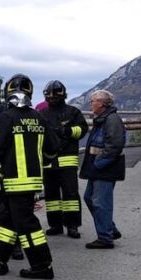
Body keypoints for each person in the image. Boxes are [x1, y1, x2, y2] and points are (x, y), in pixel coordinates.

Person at [0, 74, 60, 278]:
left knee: (26, 224)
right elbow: (53, 149)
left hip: (12, 182)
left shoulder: (7, 118)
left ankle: (42, 266)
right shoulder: (38, 117)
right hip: (31, 181)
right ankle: (0, 260)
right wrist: (39, 161)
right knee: (8, 221)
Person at [39, 80, 88, 238]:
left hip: (67, 160)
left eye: (55, 95)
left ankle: (72, 226)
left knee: (71, 195)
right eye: (49, 96)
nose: (52, 98)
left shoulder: (72, 112)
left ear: (63, 95)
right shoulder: (42, 114)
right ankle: (55, 225)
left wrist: (66, 131)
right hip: (48, 162)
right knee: (51, 196)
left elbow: (82, 129)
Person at [79, 89, 126, 249]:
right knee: (90, 198)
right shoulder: (103, 119)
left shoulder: (111, 120)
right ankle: (109, 229)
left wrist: (98, 163)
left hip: (105, 169)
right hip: (98, 168)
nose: (91, 104)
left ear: (102, 103)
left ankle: (105, 238)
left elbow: (114, 146)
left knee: (100, 202)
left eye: (93, 101)